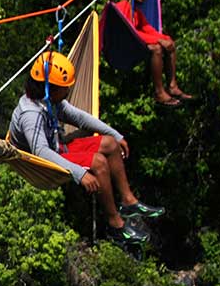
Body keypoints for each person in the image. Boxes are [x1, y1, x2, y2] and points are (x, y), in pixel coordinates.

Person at [11, 51, 165, 245]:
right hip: (43, 162)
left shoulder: (50, 101)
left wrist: (116, 134)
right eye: (65, 88)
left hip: (57, 146)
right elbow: (41, 152)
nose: (68, 91)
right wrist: (80, 173)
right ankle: (115, 225)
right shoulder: (30, 115)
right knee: (99, 162)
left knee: (110, 143)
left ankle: (128, 201)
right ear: (50, 88)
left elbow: (79, 117)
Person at [114, 0, 194, 107]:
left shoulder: (137, 13)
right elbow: (130, 31)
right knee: (156, 48)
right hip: (123, 47)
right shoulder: (122, 7)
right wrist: (159, 41)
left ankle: (172, 86)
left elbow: (148, 30)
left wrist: (166, 39)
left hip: (134, 44)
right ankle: (159, 92)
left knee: (169, 44)